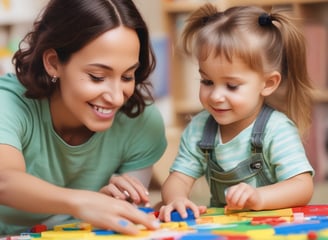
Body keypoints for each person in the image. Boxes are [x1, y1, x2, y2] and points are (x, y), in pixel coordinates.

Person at [0, 0, 167, 236]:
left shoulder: (140, 120)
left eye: (127, 76)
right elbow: (4, 181)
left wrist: (115, 201)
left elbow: (126, 213)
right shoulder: (8, 103)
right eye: (97, 77)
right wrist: (82, 202)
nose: (117, 97)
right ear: (53, 63)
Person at [159, 3, 314, 222]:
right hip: (224, 228)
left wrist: (259, 197)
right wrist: (176, 198)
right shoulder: (200, 128)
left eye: (231, 86)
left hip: (272, 227)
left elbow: (302, 186)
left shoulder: (276, 129)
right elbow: (179, 179)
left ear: (268, 83)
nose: (215, 96)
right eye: (207, 81)